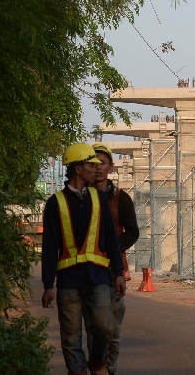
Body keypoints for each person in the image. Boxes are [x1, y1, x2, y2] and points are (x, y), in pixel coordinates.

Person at [42, 142, 126, 375]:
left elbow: (111, 238)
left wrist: (118, 273)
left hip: (97, 277)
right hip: (68, 281)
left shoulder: (99, 198)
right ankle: (77, 371)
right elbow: (49, 247)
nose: (96, 169)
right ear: (78, 169)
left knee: (106, 327)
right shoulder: (54, 203)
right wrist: (49, 284)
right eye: (91, 165)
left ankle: (97, 362)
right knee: (70, 338)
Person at [84, 142, 139, 375]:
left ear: (110, 167)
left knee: (113, 328)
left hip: (113, 271)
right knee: (93, 327)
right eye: (93, 163)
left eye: (102, 163)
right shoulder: (79, 198)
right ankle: (97, 368)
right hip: (87, 271)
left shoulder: (121, 199)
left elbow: (132, 231)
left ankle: (111, 368)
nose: (98, 168)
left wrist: (113, 249)